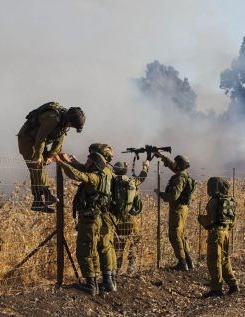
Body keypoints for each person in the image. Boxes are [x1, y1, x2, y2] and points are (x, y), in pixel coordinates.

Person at [54, 146, 116, 295]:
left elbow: (77, 175)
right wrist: (70, 160)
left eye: (89, 160)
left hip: (89, 220)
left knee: (84, 250)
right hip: (97, 217)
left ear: (94, 164)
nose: (86, 161)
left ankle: (91, 285)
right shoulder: (104, 173)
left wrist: (61, 163)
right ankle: (95, 282)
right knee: (93, 249)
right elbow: (82, 169)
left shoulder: (93, 178)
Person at [17, 102, 85, 213]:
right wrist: (38, 156)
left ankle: (38, 202)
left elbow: (59, 141)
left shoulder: (63, 122)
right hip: (28, 140)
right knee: (37, 166)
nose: (70, 128)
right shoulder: (53, 118)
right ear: (70, 121)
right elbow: (41, 137)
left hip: (38, 142)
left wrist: (50, 155)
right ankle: (46, 195)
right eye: (72, 126)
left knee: (38, 167)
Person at [198, 177, 240, 297]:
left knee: (213, 261)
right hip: (226, 233)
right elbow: (232, 221)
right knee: (225, 260)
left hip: (215, 235)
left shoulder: (214, 201)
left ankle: (216, 289)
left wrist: (201, 219)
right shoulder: (229, 200)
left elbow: (210, 219)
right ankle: (233, 285)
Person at [154, 152, 195, 271]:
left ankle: (182, 263)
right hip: (182, 208)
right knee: (181, 235)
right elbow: (172, 166)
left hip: (177, 209)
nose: (174, 164)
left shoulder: (180, 178)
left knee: (175, 235)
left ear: (180, 165)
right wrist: (162, 157)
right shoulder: (183, 174)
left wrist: (161, 194)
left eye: (176, 162)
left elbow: (173, 196)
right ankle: (188, 261)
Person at [113, 160, 149, 276]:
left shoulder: (112, 182)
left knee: (118, 246)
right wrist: (145, 166)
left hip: (118, 219)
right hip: (131, 218)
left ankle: (116, 271)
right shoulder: (131, 182)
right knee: (134, 242)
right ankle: (131, 268)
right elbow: (142, 178)